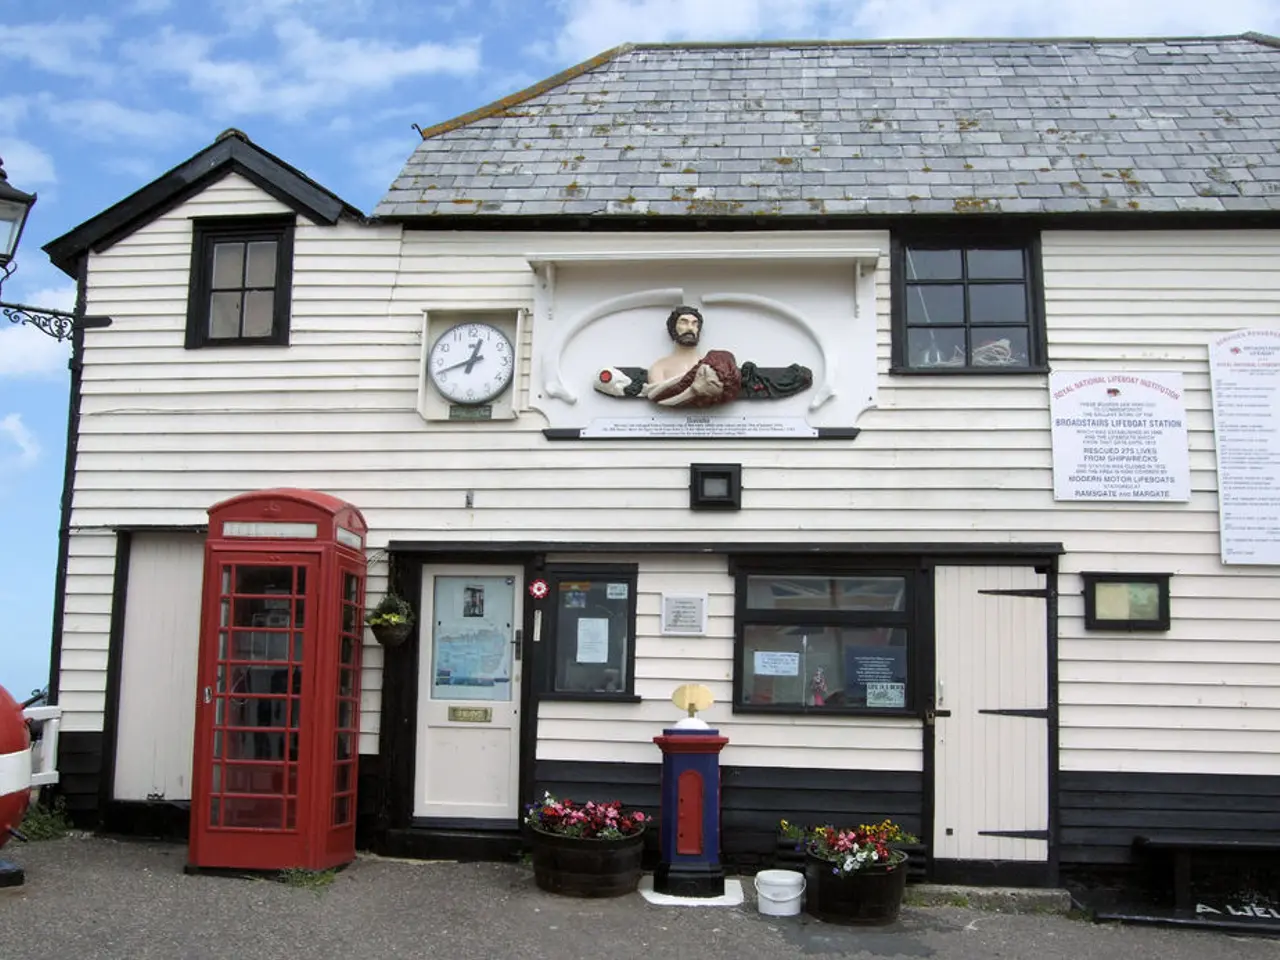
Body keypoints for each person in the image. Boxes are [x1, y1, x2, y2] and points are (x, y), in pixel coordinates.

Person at [593, 305, 812, 408]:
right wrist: (693, 388)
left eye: (695, 323)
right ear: (673, 329)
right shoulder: (660, 366)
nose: (690, 328)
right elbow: (658, 395)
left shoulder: (716, 362)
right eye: (684, 322)